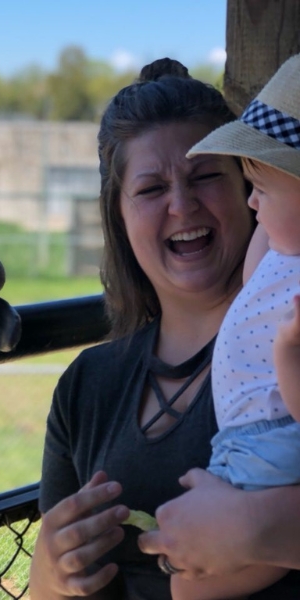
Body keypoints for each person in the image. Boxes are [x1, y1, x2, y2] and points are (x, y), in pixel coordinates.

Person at [29, 57, 300, 600]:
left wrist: (263, 531)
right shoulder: (88, 384)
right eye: (152, 189)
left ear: (251, 186)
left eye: (205, 177)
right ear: (120, 215)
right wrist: (49, 577)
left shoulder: (288, 332)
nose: (182, 205)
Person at [155, 53, 300, 600]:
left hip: (275, 437)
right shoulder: (280, 248)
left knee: (191, 590)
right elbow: (263, 247)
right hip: (245, 436)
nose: (251, 200)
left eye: (263, 187)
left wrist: (289, 354)